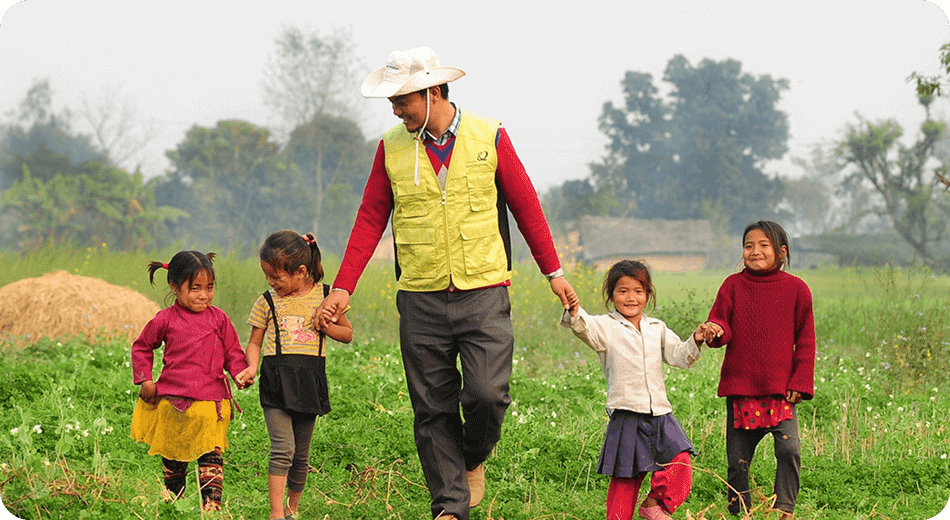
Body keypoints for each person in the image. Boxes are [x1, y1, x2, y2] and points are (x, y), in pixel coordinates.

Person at [317, 47, 577, 520]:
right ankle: (450, 507)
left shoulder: (489, 135)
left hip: (483, 291)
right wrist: (342, 287)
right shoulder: (391, 148)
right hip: (420, 296)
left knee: (486, 394)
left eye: (403, 101)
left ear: (432, 91)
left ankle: (472, 457)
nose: (395, 111)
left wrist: (554, 273)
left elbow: (526, 206)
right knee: (432, 407)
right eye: (392, 103)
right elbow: (370, 217)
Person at [562, 259, 709, 520]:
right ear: (611, 295)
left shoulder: (657, 328)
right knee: (625, 481)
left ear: (648, 294)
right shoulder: (606, 327)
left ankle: (653, 504)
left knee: (680, 460)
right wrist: (574, 309)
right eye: (623, 291)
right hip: (627, 414)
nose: (631, 298)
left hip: (660, 414)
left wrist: (696, 338)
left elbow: (679, 356)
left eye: (638, 291)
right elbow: (584, 326)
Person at [235, 231, 353, 520]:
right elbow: (254, 343)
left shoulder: (327, 297)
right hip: (275, 382)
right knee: (283, 449)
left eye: (277, 277)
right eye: (268, 278)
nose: (272, 283)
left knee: (301, 455)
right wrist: (250, 367)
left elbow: (347, 334)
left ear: (301, 272)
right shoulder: (266, 301)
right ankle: (276, 514)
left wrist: (326, 326)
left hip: (309, 381)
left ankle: (292, 510)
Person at [702, 220, 816, 519]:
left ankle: (784, 508)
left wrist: (800, 381)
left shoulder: (797, 289)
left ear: (781, 252)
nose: (754, 251)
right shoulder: (732, 285)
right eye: (749, 246)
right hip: (742, 390)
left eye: (763, 245)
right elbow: (722, 324)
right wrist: (714, 330)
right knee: (737, 463)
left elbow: (806, 340)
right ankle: (741, 511)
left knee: (789, 450)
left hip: (780, 391)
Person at [130, 250, 249, 512]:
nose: (204, 295)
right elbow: (142, 347)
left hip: (211, 403)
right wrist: (145, 380)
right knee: (174, 458)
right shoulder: (165, 319)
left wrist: (240, 373)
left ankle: (212, 507)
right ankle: (175, 505)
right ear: (175, 287)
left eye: (209, 288)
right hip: (174, 404)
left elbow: (233, 352)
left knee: (211, 455)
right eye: (195, 288)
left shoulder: (219, 318)